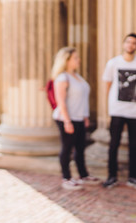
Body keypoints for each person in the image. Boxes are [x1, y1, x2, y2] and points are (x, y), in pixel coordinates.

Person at [51, 47, 100, 190]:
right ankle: (66, 178)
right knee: (67, 148)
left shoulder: (78, 77)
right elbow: (61, 102)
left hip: (79, 117)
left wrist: (85, 116)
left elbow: (82, 99)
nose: (79, 60)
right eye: (75, 58)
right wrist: (67, 121)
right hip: (66, 118)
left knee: (80, 147)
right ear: (66, 60)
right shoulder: (62, 78)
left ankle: (83, 175)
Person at [102, 33, 136, 189]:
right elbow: (107, 85)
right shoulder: (113, 63)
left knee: (134, 145)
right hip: (117, 110)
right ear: (124, 44)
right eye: (128, 42)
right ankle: (111, 176)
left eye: (134, 43)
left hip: (134, 112)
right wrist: (108, 107)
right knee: (113, 144)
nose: (130, 45)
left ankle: (133, 177)